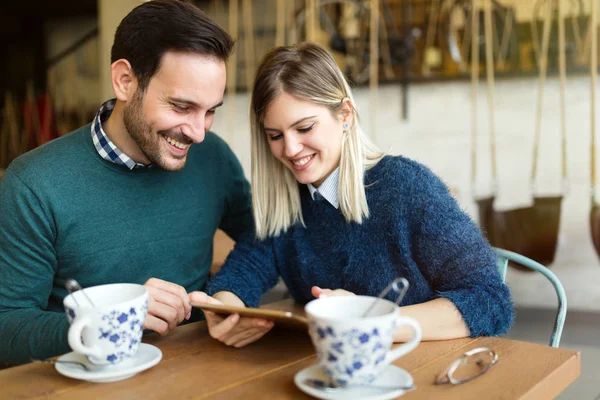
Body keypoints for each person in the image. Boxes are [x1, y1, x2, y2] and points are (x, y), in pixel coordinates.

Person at [191, 43, 514, 348]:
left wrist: (370, 320)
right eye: (275, 135)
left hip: (427, 368)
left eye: (304, 128)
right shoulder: (287, 203)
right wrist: (224, 310)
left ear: (345, 114)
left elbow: (490, 300)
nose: (289, 149)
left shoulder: (406, 187)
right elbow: (241, 273)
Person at [0, 0, 253, 365]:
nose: (199, 133)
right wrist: (112, 319)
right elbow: (7, 327)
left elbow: (268, 240)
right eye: (182, 107)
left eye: (210, 110)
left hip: (203, 375)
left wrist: (228, 291)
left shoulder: (213, 158)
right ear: (125, 81)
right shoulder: (33, 184)